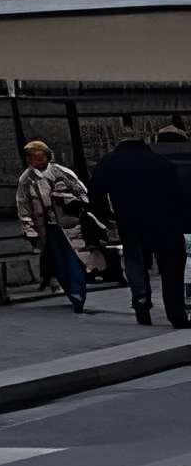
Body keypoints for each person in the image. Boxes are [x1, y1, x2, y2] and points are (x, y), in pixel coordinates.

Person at [89, 125, 191, 329]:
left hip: (131, 224)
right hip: (166, 224)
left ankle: (141, 305)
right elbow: (179, 195)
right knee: (171, 270)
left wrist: (107, 217)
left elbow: (95, 193)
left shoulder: (110, 161)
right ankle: (176, 315)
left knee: (136, 264)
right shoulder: (160, 162)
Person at [15, 140, 97, 312]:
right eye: (31, 157)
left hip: (68, 222)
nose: (35, 160)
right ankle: (71, 291)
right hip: (47, 226)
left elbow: (82, 193)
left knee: (73, 258)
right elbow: (24, 206)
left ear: (46, 156)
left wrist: (66, 199)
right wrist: (29, 230)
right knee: (59, 262)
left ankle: (77, 291)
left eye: (38, 156)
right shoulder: (26, 179)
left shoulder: (61, 172)